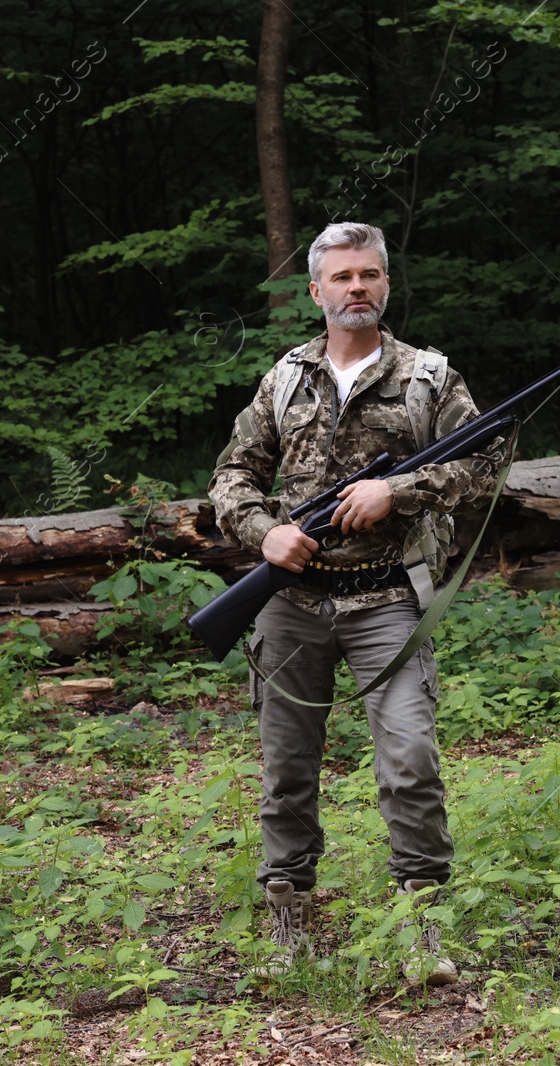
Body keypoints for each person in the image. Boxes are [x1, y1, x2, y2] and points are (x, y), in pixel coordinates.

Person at [208, 221, 506, 984]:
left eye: (369, 275)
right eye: (341, 277)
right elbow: (232, 477)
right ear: (316, 290)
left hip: (387, 597)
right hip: (291, 601)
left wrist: (396, 489)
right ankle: (289, 924)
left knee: (409, 757)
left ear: (386, 284)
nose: (356, 289)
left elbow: (485, 462)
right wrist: (265, 533)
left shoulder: (429, 377)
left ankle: (421, 930)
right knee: (287, 769)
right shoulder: (284, 379)